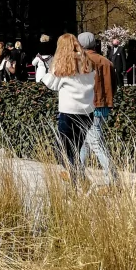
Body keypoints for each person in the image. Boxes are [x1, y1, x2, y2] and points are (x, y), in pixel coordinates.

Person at [39, 33, 95, 183]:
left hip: (69, 112)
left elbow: (50, 83)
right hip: (87, 112)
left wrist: (46, 71)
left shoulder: (62, 63)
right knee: (76, 149)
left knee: (61, 150)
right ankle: (77, 180)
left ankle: (76, 177)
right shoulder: (87, 61)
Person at [77, 32, 116, 182]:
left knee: (94, 142)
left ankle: (111, 177)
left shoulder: (80, 61)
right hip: (103, 106)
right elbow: (114, 85)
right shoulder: (106, 61)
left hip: (86, 106)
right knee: (86, 142)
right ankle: (78, 174)